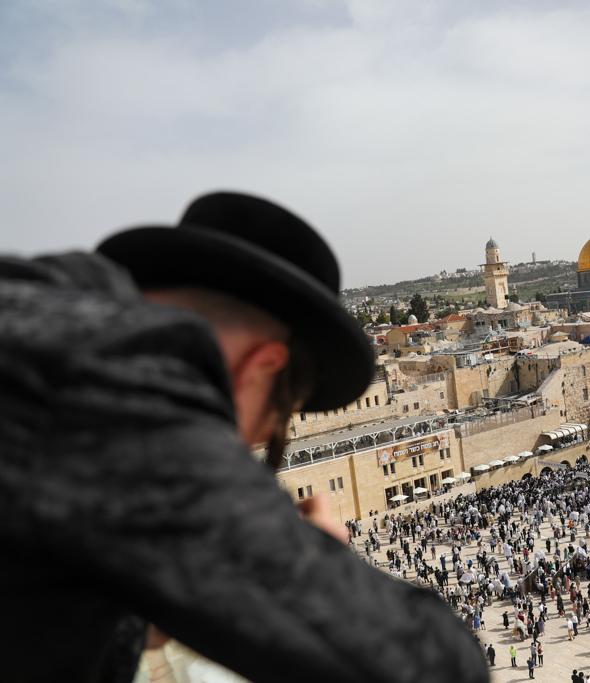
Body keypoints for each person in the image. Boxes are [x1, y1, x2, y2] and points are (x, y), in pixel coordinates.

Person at [0, 192, 489, 682]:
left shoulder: (36, 316)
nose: (234, 451)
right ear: (263, 367)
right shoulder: (116, 381)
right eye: (266, 435)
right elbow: (433, 666)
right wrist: (305, 561)